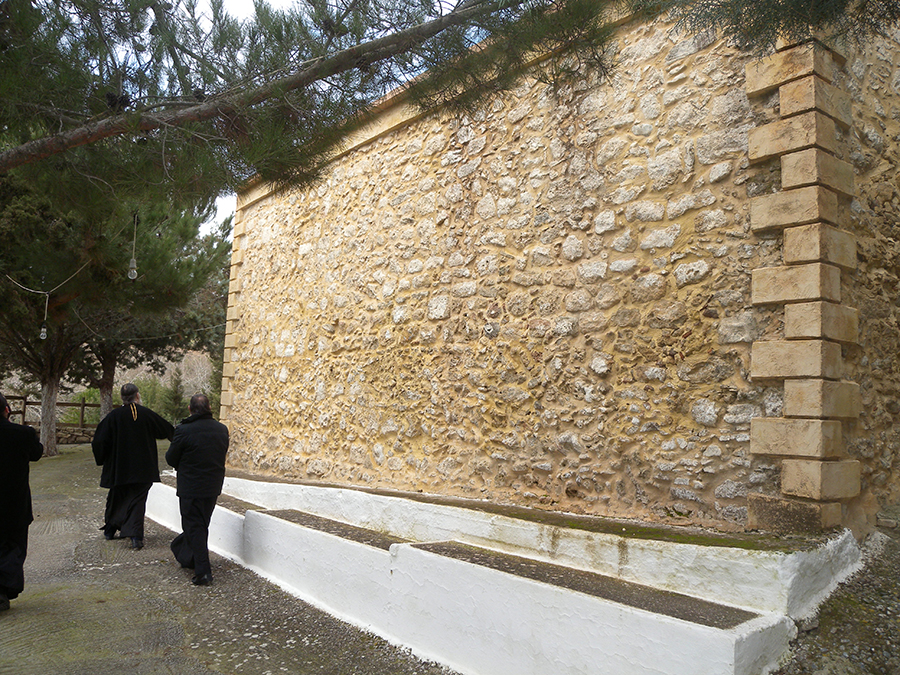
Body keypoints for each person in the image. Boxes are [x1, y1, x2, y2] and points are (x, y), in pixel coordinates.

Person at [92, 383, 174, 550]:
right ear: (137, 396)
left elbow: (99, 441)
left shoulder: (113, 416)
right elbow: (166, 430)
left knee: (117, 497)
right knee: (137, 500)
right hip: (143, 467)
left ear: (122, 398)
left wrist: (103, 459)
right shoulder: (146, 414)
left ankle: (110, 529)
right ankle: (135, 536)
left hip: (119, 468)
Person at [165, 394, 229, 586]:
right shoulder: (221, 429)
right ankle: (188, 557)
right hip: (212, 486)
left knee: (194, 526)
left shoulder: (183, 430)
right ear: (209, 407)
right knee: (200, 525)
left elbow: (171, 458)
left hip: (191, 486)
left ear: (190, 409)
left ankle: (203, 572)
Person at [0, 392, 43, 611]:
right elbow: (37, 453)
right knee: (15, 547)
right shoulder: (23, 434)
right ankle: (5, 589)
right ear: (7, 410)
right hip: (14, 501)